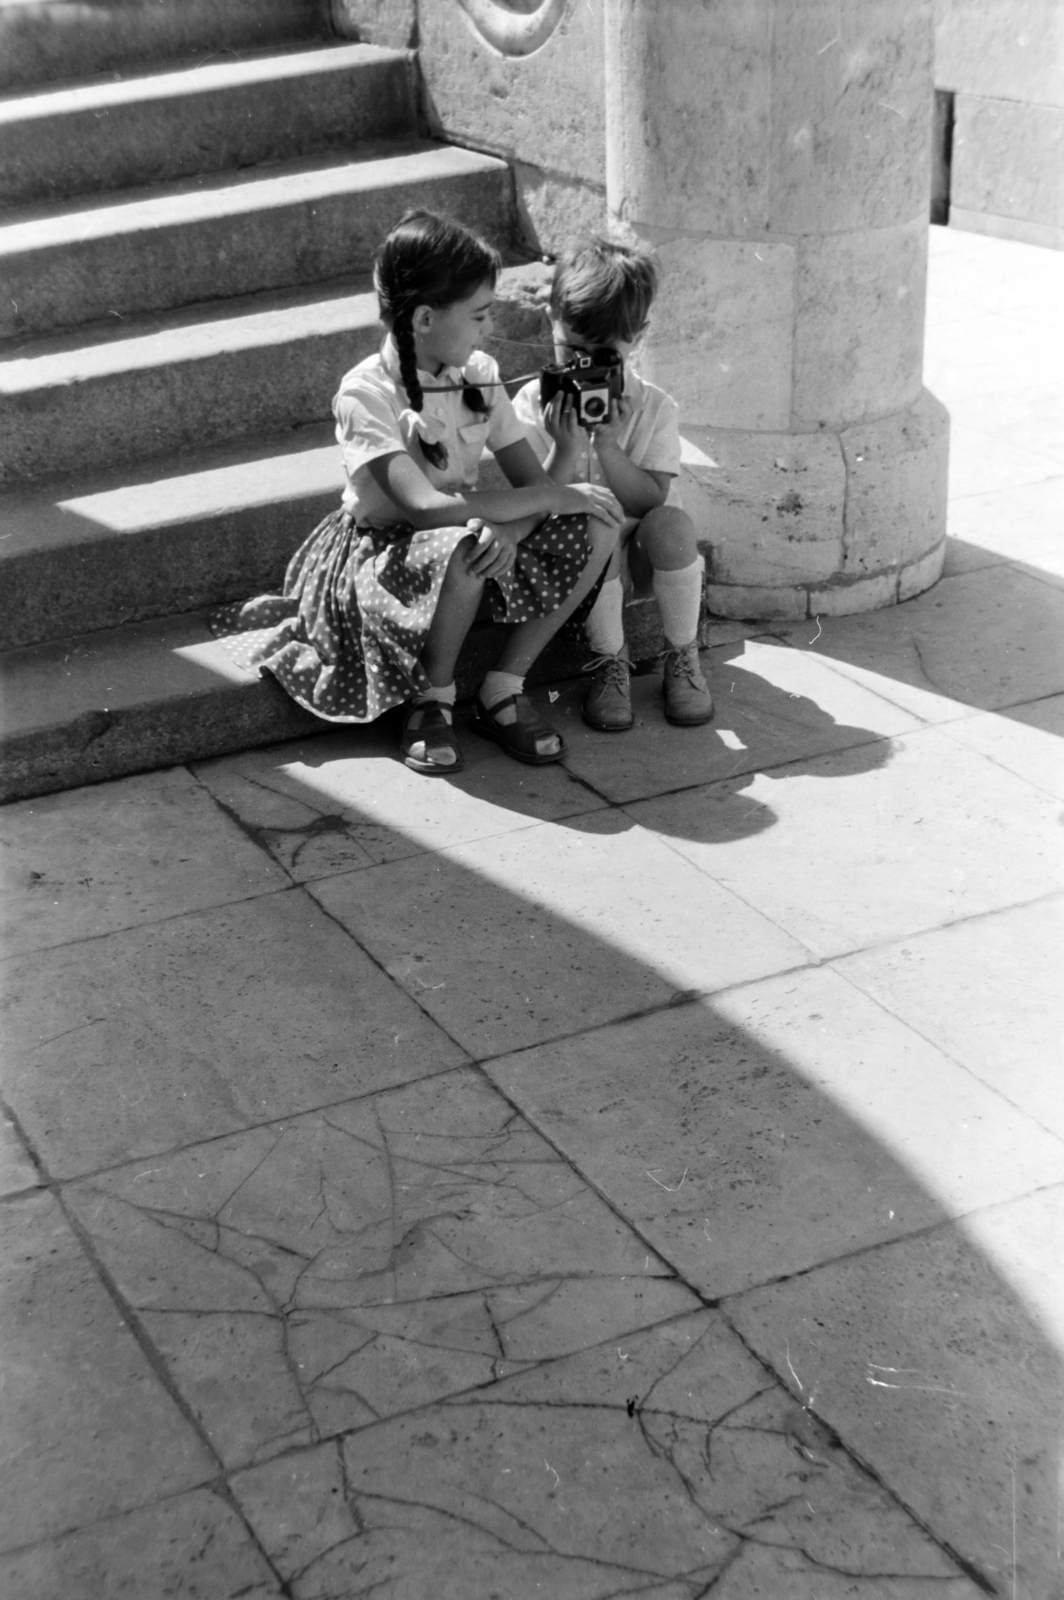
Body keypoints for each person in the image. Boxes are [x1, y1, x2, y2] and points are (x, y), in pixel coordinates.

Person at [211, 209, 620, 774]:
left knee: (598, 517)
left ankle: (502, 687)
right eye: (478, 314)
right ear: (426, 317)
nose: (487, 326)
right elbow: (426, 510)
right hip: (384, 552)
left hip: (466, 536)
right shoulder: (365, 394)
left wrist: (546, 481)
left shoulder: (479, 374)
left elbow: (535, 487)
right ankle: (433, 699)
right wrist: (542, 503)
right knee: (460, 545)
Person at [513, 236, 713, 732]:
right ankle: (610, 661)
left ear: (637, 337)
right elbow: (535, 505)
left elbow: (651, 499)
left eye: (603, 355)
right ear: (551, 321)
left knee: (672, 523)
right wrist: (565, 446)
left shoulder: (654, 407)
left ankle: (682, 656)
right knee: (589, 522)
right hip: (573, 559)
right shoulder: (529, 406)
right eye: (572, 350)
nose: (585, 368)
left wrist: (607, 445)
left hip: (644, 557)